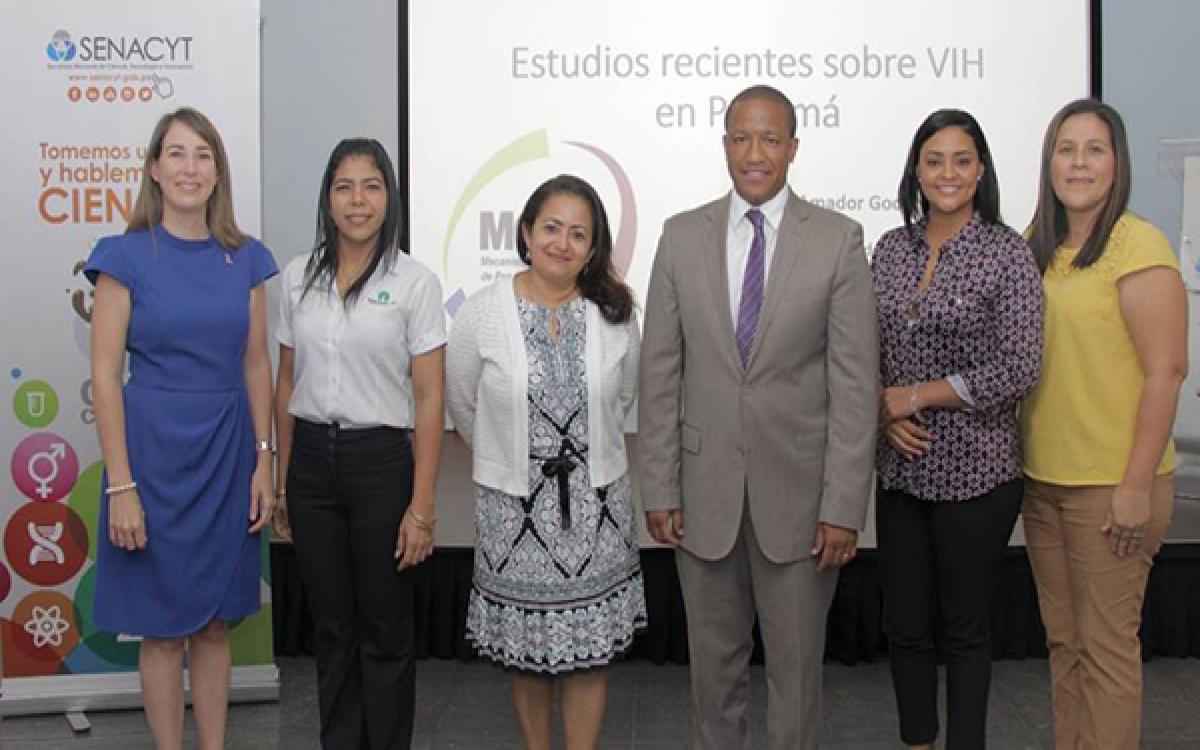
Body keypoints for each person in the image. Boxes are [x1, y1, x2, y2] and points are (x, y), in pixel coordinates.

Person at [638, 84, 878, 750]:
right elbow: (660, 373)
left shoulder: (837, 240)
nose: (754, 152)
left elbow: (855, 386)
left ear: (793, 148)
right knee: (712, 681)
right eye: (741, 137)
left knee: (797, 681)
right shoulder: (680, 237)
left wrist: (843, 506)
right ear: (724, 145)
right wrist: (658, 486)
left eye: (770, 138)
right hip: (702, 497)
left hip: (802, 505)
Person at [87, 107, 277, 750]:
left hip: (226, 455)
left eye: (203, 154)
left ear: (218, 170)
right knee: (163, 630)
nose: (190, 167)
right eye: (176, 153)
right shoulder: (123, 256)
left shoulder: (246, 259)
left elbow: (256, 363)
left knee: (216, 625)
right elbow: (107, 376)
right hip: (151, 457)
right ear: (154, 169)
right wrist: (121, 485)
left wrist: (264, 461)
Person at [445, 174, 645, 750]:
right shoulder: (483, 313)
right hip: (512, 511)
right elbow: (463, 405)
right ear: (527, 232)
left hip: (597, 506)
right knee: (527, 653)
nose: (562, 242)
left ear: (593, 247)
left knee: (588, 657)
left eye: (578, 233)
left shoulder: (615, 312)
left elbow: (624, 394)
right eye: (551, 227)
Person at [872, 109, 1043, 749]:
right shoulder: (890, 249)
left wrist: (913, 396)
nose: (948, 172)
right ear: (916, 169)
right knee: (907, 629)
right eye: (934, 159)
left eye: (962, 160)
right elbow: (868, 355)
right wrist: (883, 417)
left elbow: (1019, 367)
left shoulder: (1006, 252)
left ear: (981, 171)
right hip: (900, 470)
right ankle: (917, 743)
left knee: (964, 632)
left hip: (980, 474)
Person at [1021, 99, 1186, 750]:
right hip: (1045, 483)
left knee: (1108, 651)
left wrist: (1136, 486)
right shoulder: (1041, 246)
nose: (1079, 163)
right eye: (1066, 149)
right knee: (1066, 646)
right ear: (1049, 161)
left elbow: (1166, 371)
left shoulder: (1137, 243)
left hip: (1114, 488)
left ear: (1117, 163)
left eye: (1094, 149)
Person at [272, 138, 445, 749]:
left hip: (381, 464)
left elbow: (429, 401)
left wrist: (421, 509)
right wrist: (282, 483)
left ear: (389, 197)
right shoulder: (297, 277)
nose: (358, 200)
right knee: (333, 629)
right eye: (344, 186)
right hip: (313, 465)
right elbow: (286, 382)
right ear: (328, 197)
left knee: (384, 628)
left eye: (372, 186)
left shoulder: (415, 282)